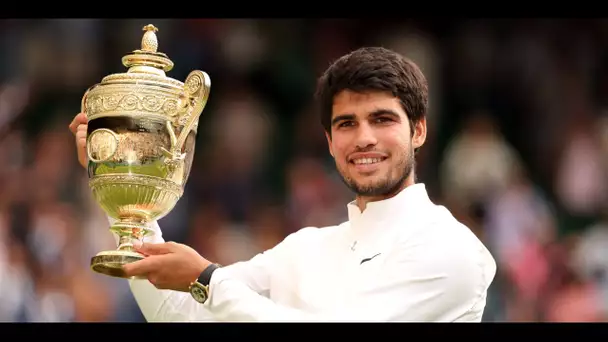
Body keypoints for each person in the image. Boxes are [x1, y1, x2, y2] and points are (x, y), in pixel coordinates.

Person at [69, 46, 497, 322]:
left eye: (382, 119)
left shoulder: (454, 250)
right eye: (346, 124)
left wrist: (207, 279)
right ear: (329, 142)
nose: (364, 137)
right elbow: (180, 314)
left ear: (418, 131)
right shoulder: (304, 248)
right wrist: (123, 192)